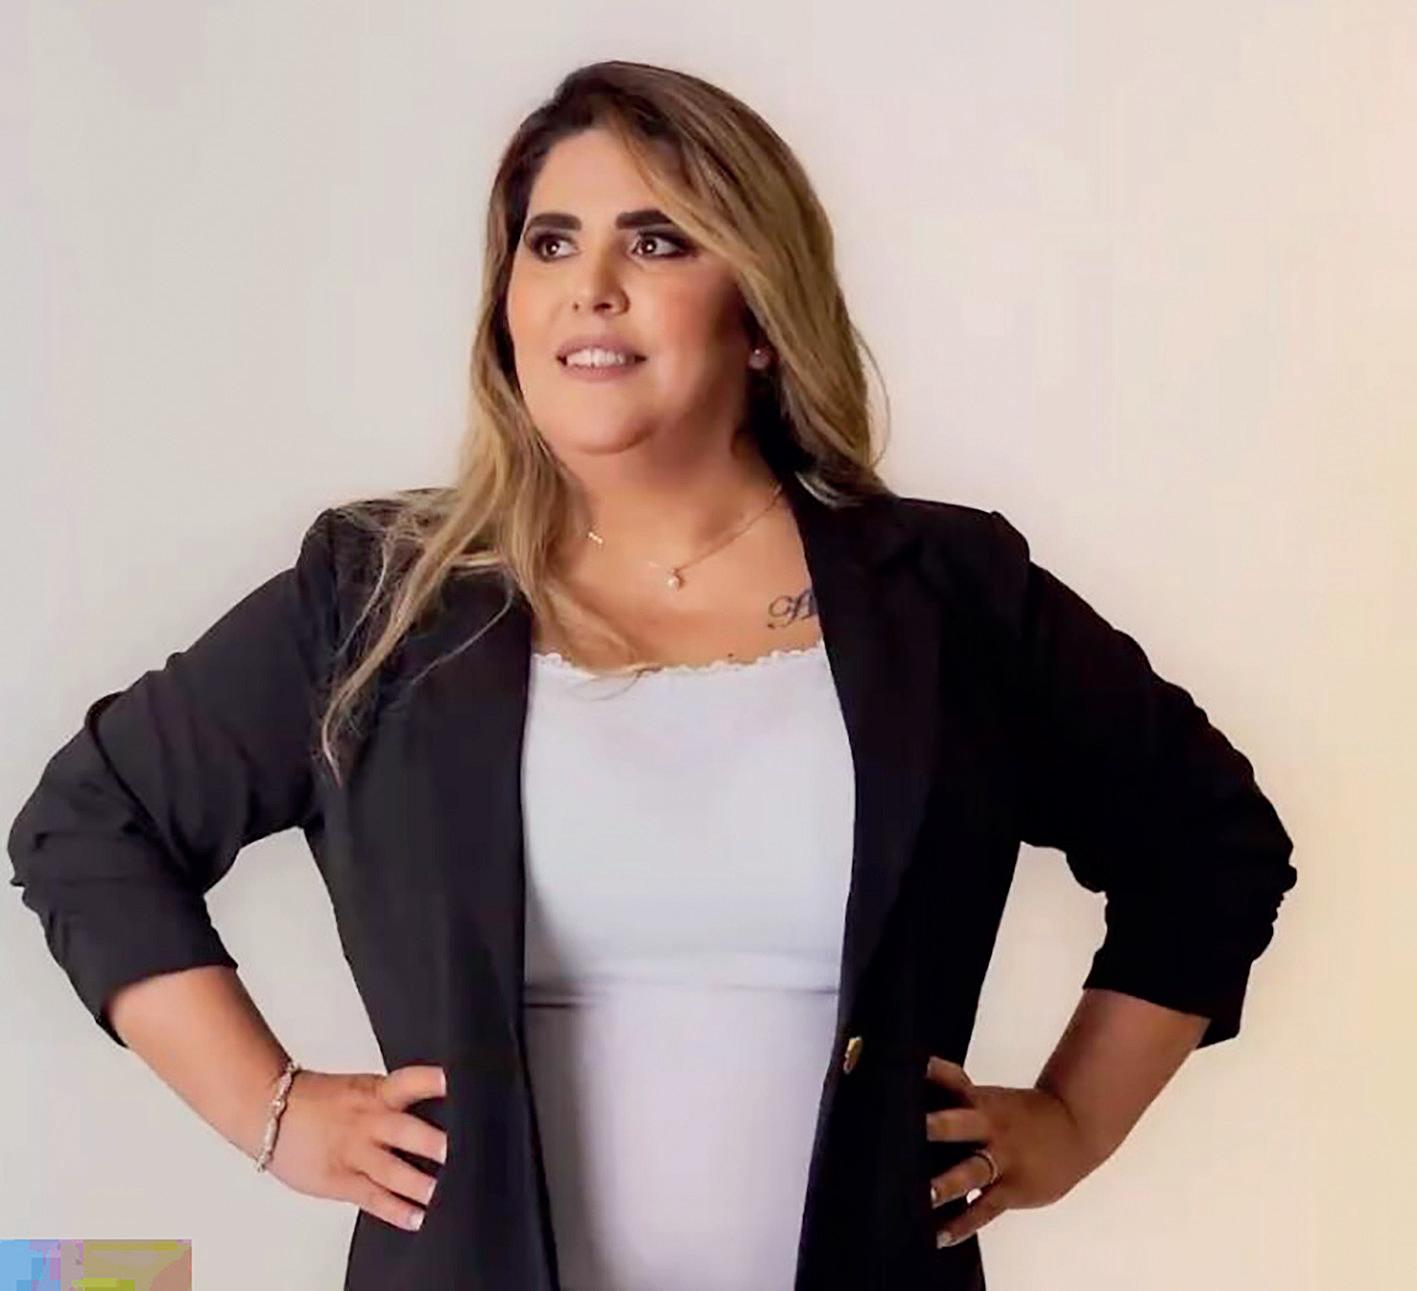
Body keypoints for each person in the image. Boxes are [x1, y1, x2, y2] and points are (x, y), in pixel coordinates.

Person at [7, 60, 1297, 1291]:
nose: (591, 288)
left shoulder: (949, 598)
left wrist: (1073, 1120)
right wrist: (273, 1111)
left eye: (659, 242)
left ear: (761, 316)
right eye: (550, 243)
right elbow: (91, 826)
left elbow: (1209, 845)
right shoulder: (381, 597)